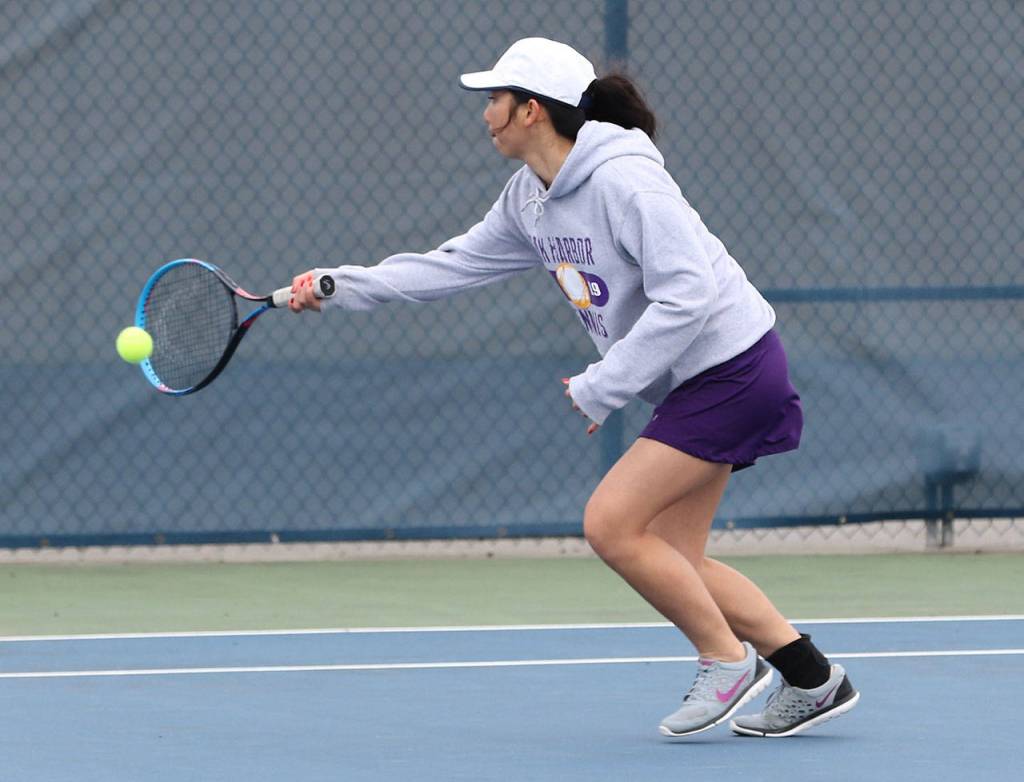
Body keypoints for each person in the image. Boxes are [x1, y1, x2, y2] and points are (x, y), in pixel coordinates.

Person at [288, 37, 859, 738]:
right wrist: (339, 285)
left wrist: (606, 384)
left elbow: (689, 293)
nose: (485, 113)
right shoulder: (529, 199)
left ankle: (724, 659)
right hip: (697, 381)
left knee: (611, 524)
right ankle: (810, 676)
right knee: (674, 560)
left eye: (495, 99)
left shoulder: (626, 182)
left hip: (733, 369)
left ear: (531, 110)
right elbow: (450, 267)